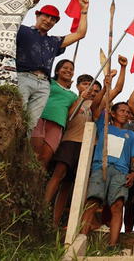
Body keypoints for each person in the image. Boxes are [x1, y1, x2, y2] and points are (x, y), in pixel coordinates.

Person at [16, 0, 88, 134]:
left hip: (43, 84)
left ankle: (21, 150)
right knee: (17, 115)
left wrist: (83, 11)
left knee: (30, 124)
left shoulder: (54, 41)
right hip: (22, 77)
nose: (49, 20)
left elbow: (80, 34)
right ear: (37, 15)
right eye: (46, 16)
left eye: (53, 19)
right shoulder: (22, 30)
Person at [44, 74, 103, 226]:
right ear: (77, 86)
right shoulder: (72, 99)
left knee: (79, 184)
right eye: (85, 84)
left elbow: (102, 106)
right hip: (70, 141)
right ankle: (44, 211)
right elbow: (68, 117)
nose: (88, 88)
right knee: (60, 177)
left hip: (88, 145)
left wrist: (107, 84)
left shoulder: (95, 105)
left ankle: (76, 223)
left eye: (91, 85)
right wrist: (81, 99)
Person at [79, 98, 134, 246]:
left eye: (128, 112)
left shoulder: (131, 135)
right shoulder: (104, 126)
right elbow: (97, 106)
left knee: (118, 205)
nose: (125, 114)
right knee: (93, 202)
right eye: (122, 111)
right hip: (101, 166)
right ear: (112, 113)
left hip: (121, 171)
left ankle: (113, 245)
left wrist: (133, 172)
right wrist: (110, 84)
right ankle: (81, 239)